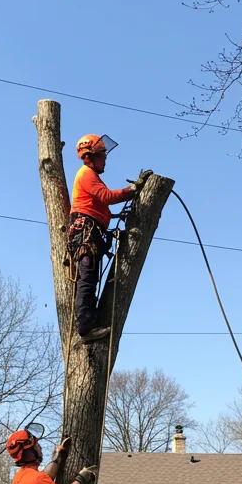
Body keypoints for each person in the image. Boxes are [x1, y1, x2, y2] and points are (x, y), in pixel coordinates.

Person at [67, 134, 147, 343]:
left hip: (91, 231)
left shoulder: (91, 176)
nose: (105, 159)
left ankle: (89, 321)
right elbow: (107, 197)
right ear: (91, 155)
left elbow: (100, 207)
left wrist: (118, 215)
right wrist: (133, 189)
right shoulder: (86, 174)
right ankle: (85, 328)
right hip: (86, 233)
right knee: (87, 278)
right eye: (103, 154)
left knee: (90, 278)